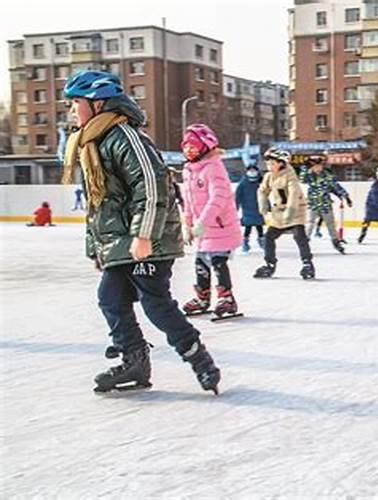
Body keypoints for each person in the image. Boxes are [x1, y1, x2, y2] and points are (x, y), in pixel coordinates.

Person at [61, 70, 220, 393]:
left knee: (156, 304)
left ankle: (201, 361)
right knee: (110, 298)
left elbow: (150, 186)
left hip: (149, 240)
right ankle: (134, 362)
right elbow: (99, 204)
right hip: (123, 242)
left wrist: (144, 234)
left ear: (98, 103)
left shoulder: (125, 136)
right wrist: (98, 250)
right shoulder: (94, 141)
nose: (71, 110)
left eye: (76, 102)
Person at [180, 123, 243, 320]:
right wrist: (187, 223)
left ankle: (227, 298)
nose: (188, 150)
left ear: (206, 146)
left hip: (220, 226)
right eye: (186, 146)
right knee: (200, 263)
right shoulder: (189, 170)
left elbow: (219, 198)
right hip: (203, 230)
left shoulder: (214, 168)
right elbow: (188, 200)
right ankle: (203, 297)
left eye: (193, 146)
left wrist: (203, 222)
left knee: (218, 262)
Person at [254, 147, 315, 280]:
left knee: (300, 237)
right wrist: (263, 203)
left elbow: (294, 194)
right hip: (279, 214)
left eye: (272, 163)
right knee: (269, 237)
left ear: (281, 163)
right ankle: (269, 263)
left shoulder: (290, 176)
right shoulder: (269, 176)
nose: (269, 165)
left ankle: (307, 264)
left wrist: (291, 211)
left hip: (295, 212)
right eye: (268, 163)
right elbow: (262, 190)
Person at [300, 153, 352, 254]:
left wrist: (346, 196)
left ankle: (336, 242)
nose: (318, 168)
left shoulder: (327, 175)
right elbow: (302, 178)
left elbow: (336, 186)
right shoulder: (309, 175)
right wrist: (304, 166)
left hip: (325, 204)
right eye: (316, 166)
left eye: (320, 166)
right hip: (313, 203)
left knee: (331, 224)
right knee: (310, 223)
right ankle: (304, 242)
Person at [235, 164, 265, 254]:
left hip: (258, 207)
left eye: (254, 170)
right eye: (250, 170)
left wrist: (268, 206)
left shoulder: (261, 182)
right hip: (247, 208)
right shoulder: (243, 182)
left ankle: (262, 242)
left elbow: (267, 194)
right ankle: (245, 244)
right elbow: (237, 196)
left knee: (259, 226)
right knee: (248, 227)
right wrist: (236, 207)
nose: (252, 172)